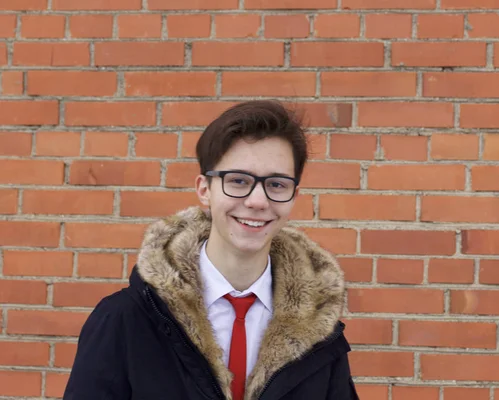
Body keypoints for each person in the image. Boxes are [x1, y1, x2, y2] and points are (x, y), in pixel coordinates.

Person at [63, 100, 359, 400]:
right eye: (239, 181)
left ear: (294, 196)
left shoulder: (321, 336)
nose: (258, 201)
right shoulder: (125, 320)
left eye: (277, 184)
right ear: (205, 189)